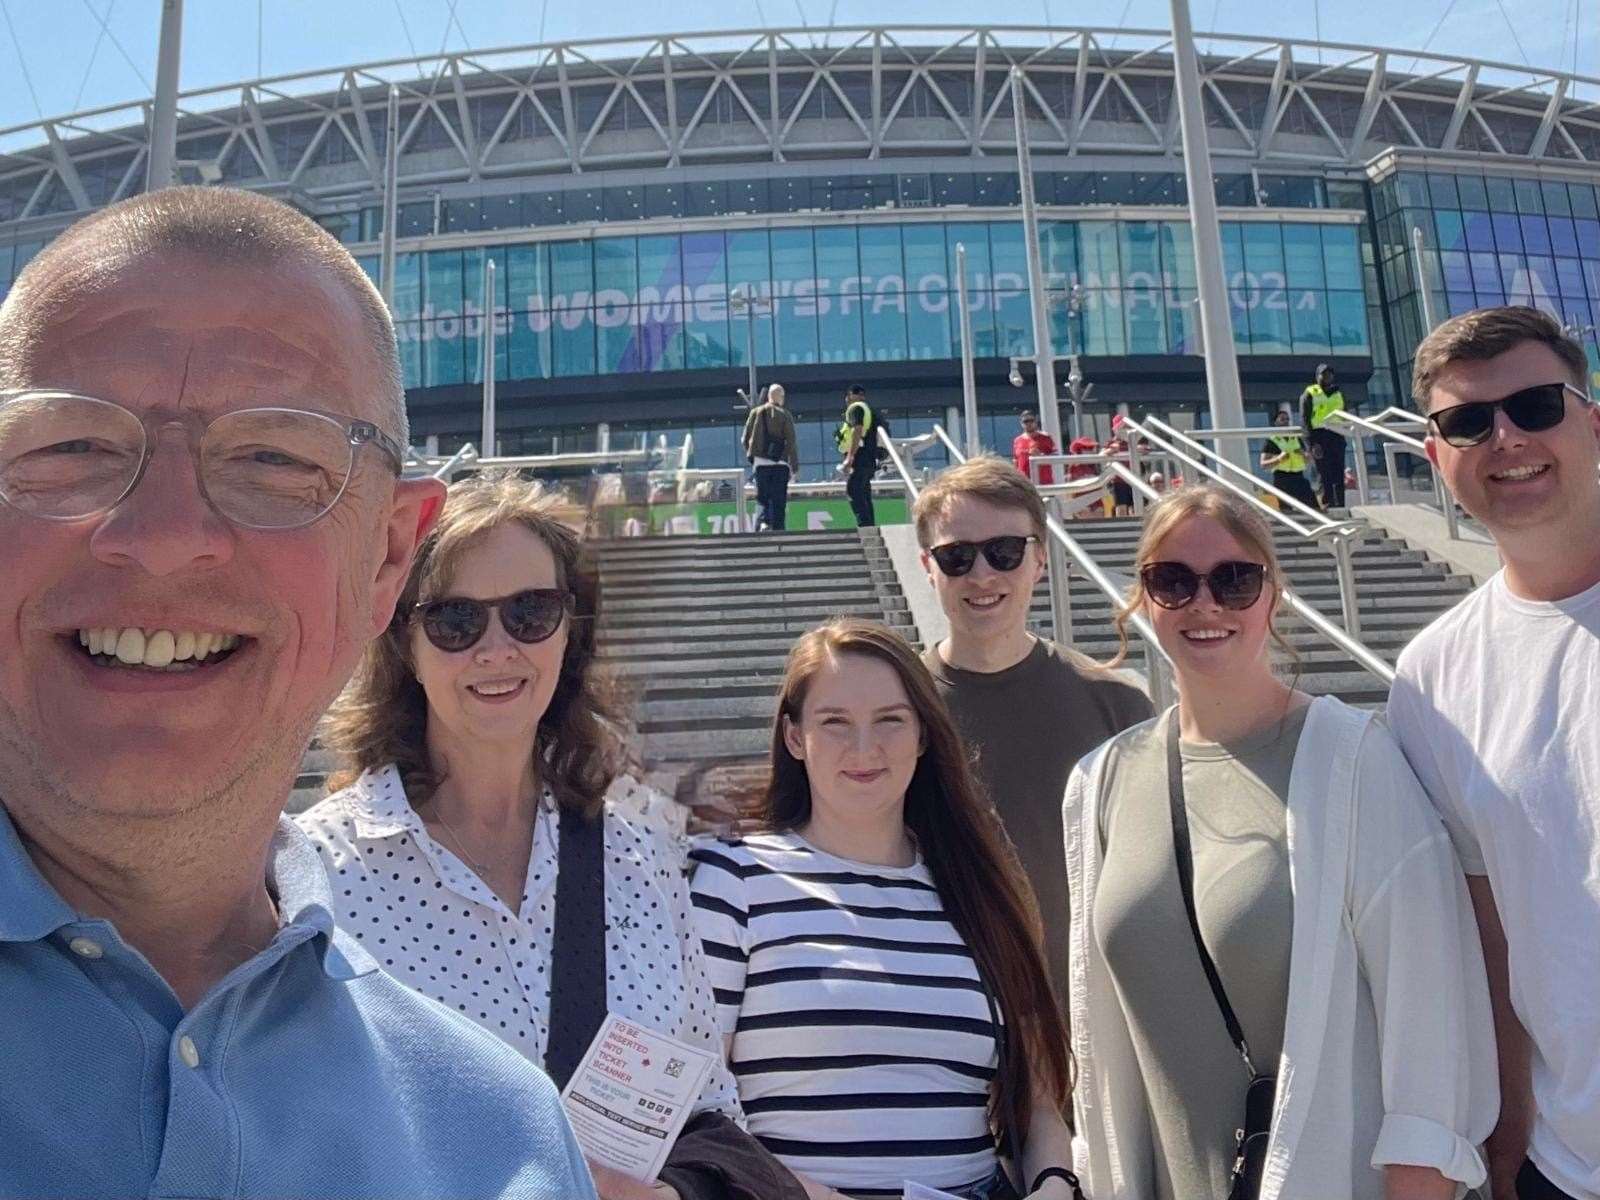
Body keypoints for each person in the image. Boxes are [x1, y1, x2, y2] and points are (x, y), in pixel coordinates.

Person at [0, 187, 595, 1197]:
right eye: (70, 446)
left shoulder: (504, 1140)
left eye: (272, 459)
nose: (161, 538)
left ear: (389, 557)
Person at [300, 470, 803, 1200]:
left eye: (531, 612)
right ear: (404, 643)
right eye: (455, 621)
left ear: (571, 631)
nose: (497, 648)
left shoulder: (640, 863)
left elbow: (713, 1111)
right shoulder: (319, 873)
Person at [1065, 483, 1497, 1200]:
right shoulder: (1101, 782)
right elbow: (1098, 1047)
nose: (1205, 605)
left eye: (1234, 580)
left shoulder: (1354, 761)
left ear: (1274, 595)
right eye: (1173, 580)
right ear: (1142, 599)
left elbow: (1433, 1030)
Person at [690, 620, 1080, 1200]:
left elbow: (1038, 1093)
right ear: (795, 738)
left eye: (890, 721)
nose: (865, 749)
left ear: (923, 734)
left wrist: (1054, 1184)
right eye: (835, 723)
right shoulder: (733, 878)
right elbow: (698, 1103)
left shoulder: (976, 888)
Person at [1386, 306, 1600, 1200]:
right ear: (1437, 457)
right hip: (1567, 1162)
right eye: (1468, 422)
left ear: (1591, 419)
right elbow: (1487, 922)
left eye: (1536, 405)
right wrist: (1509, 1123)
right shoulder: (1431, 676)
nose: (1506, 436)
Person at [914, 455, 1151, 1023]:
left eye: (1005, 551)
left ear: (1040, 559)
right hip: (942, 1035)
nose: (981, 574)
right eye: (956, 556)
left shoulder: (1117, 704)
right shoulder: (895, 711)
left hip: (1090, 1033)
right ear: (927, 567)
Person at [743, 383, 799, 532]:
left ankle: (763, 524)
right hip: (781, 464)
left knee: (763, 498)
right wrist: (794, 466)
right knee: (779, 500)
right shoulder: (785, 414)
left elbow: (745, 439)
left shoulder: (755, 413)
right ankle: (779, 530)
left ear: (768, 397)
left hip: (761, 464)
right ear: (780, 397)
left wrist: (753, 457)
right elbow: (791, 441)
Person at [1299, 363, 1348, 509]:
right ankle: (1328, 503)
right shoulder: (1310, 393)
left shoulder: (1338, 393)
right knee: (1323, 473)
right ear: (1317, 377)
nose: (1327, 376)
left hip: (1337, 435)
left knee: (1338, 472)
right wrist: (1311, 444)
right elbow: (1305, 420)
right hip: (1319, 436)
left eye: (1330, 374)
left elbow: (1345, 414)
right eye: (1324, 374)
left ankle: (1340, 504)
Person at [1259, 407, 1319, 511]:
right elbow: (1263, 464)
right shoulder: (1272, 440)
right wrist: (1279, 458)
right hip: (1282, 478)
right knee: (1286, 509)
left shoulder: (1295, 438)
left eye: (1287, 419)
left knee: (1312, 505)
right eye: (1282, 419)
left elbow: (1308, 460)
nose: (1286, 422)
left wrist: (1305, 455)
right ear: (1275, 422)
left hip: (1298, 476)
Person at [837, 383, 879, 527]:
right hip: (870, 457)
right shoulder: (869, 410)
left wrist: (850, 457)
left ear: (851, 396)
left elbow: (857, 430)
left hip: (860, 456)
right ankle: (870, 525)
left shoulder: (856, 408)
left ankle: (865, 526)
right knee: (864, 492)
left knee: (853, 489)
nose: (847, 400)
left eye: (848, 396)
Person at [1012, 409, 1059, 485]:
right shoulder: (1017, 441)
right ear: (1021, 423)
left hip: (1044, 483)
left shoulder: (1046, 438)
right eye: (1026, 421)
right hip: (1025, 485)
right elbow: (1015, 461)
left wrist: (1041, 456)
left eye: (1031, 420)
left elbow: (1056, 456)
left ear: (1036, 421)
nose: (1029, 423)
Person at [1105, 419, 1134, 516]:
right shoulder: (1112, 443)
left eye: (1127, 427)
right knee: (1121, 507)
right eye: (1122, 427)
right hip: (1118, 480)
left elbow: (1141, 449)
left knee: (1134, 507)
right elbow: (1104, 453)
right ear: (1115, 430)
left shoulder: (1132, 442)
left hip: (1132, 479)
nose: (1125, 430)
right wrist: (1111, 450)